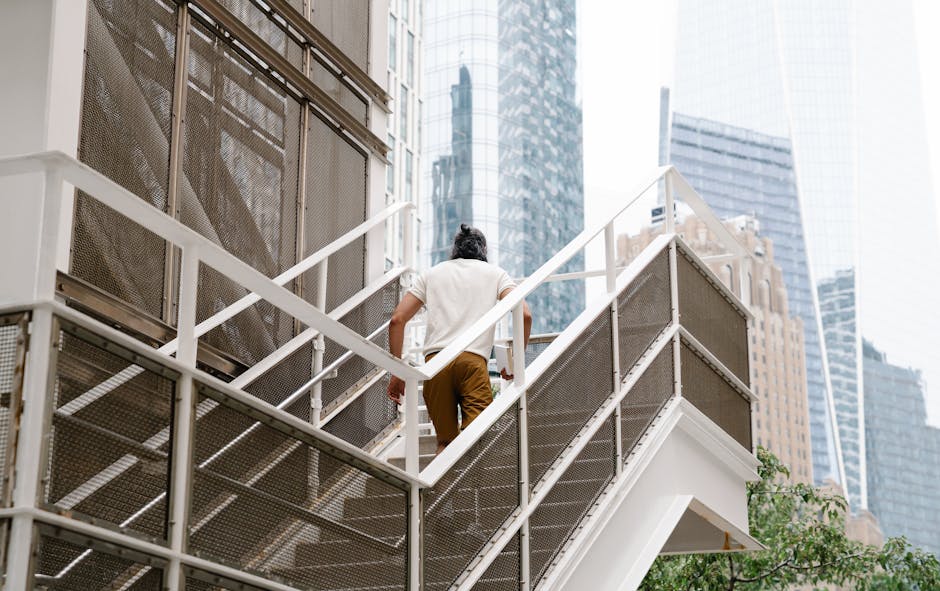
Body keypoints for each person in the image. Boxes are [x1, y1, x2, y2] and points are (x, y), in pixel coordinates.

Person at [386, 223, 532, 454]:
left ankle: (444, 490)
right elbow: (524, 314)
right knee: (478, 441)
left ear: (455, 249)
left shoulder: (431, 274)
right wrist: (517, 362)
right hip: (472, 364)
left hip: (435, 365)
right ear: (483, 249)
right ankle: (474, 489)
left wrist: (396, 370)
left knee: (445, 444)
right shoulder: (495, 274)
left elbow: (397, 320)